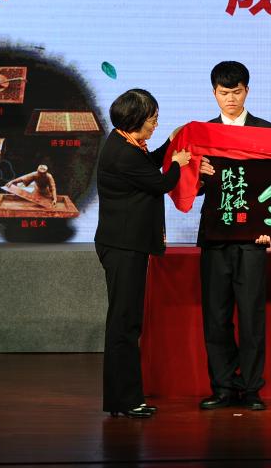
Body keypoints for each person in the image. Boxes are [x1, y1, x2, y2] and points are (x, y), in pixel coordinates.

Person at [94, 89, 190, 418]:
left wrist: (170, 144)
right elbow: (160, 183)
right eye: (152, 120)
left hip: (125, 245)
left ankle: (123, 399)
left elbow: (148, 165)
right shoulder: (123, 153)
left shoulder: (124, 143)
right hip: (124, 247)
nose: (155, 125)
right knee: (124, 324)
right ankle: (126, 400)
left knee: (126, 322)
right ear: (135, 120)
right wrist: (176, 164)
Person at [196, 61, 271, 411]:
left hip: (252, 239)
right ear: (214, 93)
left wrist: (270, 228)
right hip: (215, 237)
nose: (230, 99)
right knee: (216, 318)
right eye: (223, 92)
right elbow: (189, 189)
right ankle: (223, 387)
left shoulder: (269, 132)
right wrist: (196, 173)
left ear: (247, 91)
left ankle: (251, 388)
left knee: (251, 317)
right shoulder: (202, 134)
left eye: (236, 92)